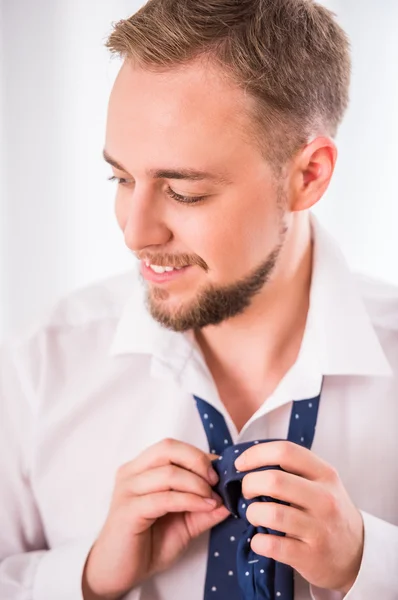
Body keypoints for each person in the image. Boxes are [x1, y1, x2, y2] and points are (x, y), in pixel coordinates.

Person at [1, 0, 397, 598]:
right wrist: (85, 577)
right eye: (122, 179)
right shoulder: (38, 366)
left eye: (184, 192)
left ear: (309, 175)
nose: (135, 233)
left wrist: (372, 565)